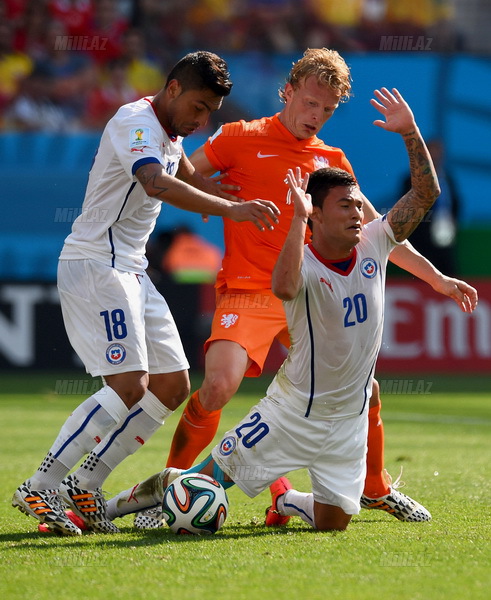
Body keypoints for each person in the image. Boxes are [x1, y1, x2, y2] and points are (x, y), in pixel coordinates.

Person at [139, 48, 477, 529]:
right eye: (310, 103)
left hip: (308, 297)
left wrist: (437, 279)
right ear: (288, 91)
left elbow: (377, 233)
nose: (315, 117)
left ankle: (375, 488)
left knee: (367, 389)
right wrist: (220, 200)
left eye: (327, 110)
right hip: (251, 291)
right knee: (217, 385)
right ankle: (172, 491)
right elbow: (182, 175)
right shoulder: (238, 137)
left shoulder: (331, 160)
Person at [11, 50, 279, 537]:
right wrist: (228, 210)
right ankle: (41, 484)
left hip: (133, 270)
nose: (201, 120)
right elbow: (155, 182)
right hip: (97, 264)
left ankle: (87, 484)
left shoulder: (171, 135)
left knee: (173, 386)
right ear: (173, 88)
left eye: (209, 114)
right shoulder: (135, 120)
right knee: (128, 383)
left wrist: (231, 192)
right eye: (197, 107)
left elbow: (183, 173)